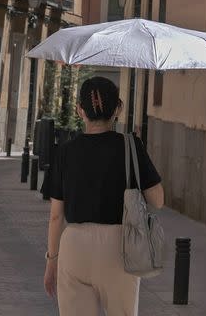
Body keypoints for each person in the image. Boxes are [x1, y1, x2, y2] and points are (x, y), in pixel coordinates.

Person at [44, 76, 164, 316]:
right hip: (118, 247)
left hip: (74, 245)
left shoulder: (65, 152)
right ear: (117, 109)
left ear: (80, 110)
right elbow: (158, 200)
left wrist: (52, 260)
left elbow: (56, 216)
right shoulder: (131, 146)